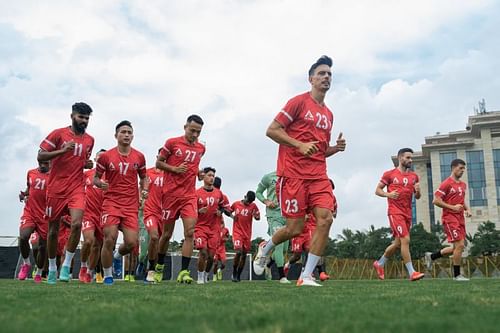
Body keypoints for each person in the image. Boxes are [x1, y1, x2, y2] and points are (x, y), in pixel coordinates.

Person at [253, 56, 346, 287]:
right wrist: (298, 145)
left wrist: (335, 148)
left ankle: (306, 276)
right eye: (322, 73)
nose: (326, 77)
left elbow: (318, 151)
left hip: (319, 176)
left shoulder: (329, 114)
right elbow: (272, 130)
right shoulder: (297, 102)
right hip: (293, 175)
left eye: (329, 74)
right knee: (295, 229)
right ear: (311, 78)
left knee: (326, 219)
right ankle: (267, 246)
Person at [38, 102, 94, 284]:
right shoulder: (58, 134)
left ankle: (66, 265)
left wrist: (87, 164)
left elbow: (83, 160)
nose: (84, 121)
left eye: (87, 118)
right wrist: (62, 150)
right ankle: (52, 268)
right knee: (52, 231)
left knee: (77, 224)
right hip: (55, 188)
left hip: (76, 188)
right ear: (72, 116)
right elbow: (40, 155)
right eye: (81, 117)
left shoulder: (89, 140)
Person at [94, 120, 148, 285]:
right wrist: (100, 183)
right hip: (111, 202)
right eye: (123, 132)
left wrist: (144, 190)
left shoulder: (139, 156)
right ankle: (108, 275)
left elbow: (144, 177)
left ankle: (117, 256)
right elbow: (95, 178)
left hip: (130, 205)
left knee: (132, 243)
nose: (126, 135)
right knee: (109, 237)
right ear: (116, 135)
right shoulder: (106, 156)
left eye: (129, 132)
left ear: (132, 136)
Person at [155, 115, 206, 284]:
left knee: (190, 232)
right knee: (166, 234)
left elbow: (195, 165)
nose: (195, 134)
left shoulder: (200, 148)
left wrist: (198, 173)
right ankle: (159, 266)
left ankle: (183, 271)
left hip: (189, 196)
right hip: (170, 194)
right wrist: (175, 169)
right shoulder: (172, 143)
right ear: (185, 127)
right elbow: (159, 163)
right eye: (192, 130)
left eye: (198, 132)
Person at [373, 148, 424, 281]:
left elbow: (417, 197)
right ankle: (412, 272)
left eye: (411, 158)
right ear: (400, 158)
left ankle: (380, 263)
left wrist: (417, 191)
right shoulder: (389, 174)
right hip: (395, 212)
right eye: (407, 157)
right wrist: (388, 194)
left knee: (397, 244)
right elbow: (377, 190)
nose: (410, 160)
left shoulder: (414, 176)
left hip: (407, 213)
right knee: (406, 240)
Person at [425, 159, 472, 281]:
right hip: (450, 218)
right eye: (460, 168)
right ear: (453, 168)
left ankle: (432, 256)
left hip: (460, 218)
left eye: (463, 169)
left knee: (457, 247)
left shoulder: (463, 185)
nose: (462, 171)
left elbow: (461, 201)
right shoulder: (446, 183)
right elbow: (436, 200)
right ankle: (457, 275)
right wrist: (453, 207)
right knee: (460, 245)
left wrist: (468, 209)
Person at [194, 167, 229, 284]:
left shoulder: (219, 193)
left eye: (213, 176)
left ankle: (206, 274)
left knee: (211, 256)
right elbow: (190, 209)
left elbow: (223, 206)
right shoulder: (197, 193)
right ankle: (199, 276)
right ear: (203, 177)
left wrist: (221, 211)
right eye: (209, 175)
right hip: (200, 227)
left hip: (214, 229)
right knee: (203, 252)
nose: (212, 178)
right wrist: (199, 211)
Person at [17, 161, 50, 283]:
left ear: (50, 162)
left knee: (42, 247)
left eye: (45, 162)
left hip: (45, 216)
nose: (42, 164)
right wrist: (24, 194)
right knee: (23, 237)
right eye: (40, 162)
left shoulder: (54, 177)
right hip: (30, 212)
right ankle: (26, 264)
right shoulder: (31, 173)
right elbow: (29, 188)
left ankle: (40, 272)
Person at [256, 171, 289, 283]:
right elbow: (258, 192)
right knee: (279, 246)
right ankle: (282, 277)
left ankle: (266, 251)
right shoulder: (269, 177)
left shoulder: (293, 176)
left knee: (284, 249)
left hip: (287, 215)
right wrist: (266, 201)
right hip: (274, 215)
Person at [79, 149, 106, 283]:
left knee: (97, 246)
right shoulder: (87, 174)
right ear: (95, 160)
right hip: (88, 214)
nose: (101, 160)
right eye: (99, 157)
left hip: (104, 215)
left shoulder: (111, 176)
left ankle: (90, 271)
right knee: (88, 241)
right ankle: (83, 267)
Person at [143, 150, 166, 284]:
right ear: (157, 157)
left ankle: (155, 268)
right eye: (160, 156)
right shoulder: (148, 172)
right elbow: (142, 186)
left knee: (160, 244)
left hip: (165, 214)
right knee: (154, 237)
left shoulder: (170, 175)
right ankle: (151, 269)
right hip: (150, 211)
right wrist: (143, 193)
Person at [231, 191, 260, 282]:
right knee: (238, 252)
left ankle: (239, 275)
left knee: (244, 255)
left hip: (247, 234)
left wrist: (257, 216)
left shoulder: (253, 206)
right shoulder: (236, 204)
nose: (249, 203)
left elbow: (258, 218)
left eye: (250, 202)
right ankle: (234, 272)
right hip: (237, 232)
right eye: (248, 201)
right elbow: (228, 211)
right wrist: (232, 217)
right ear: (245, 197)